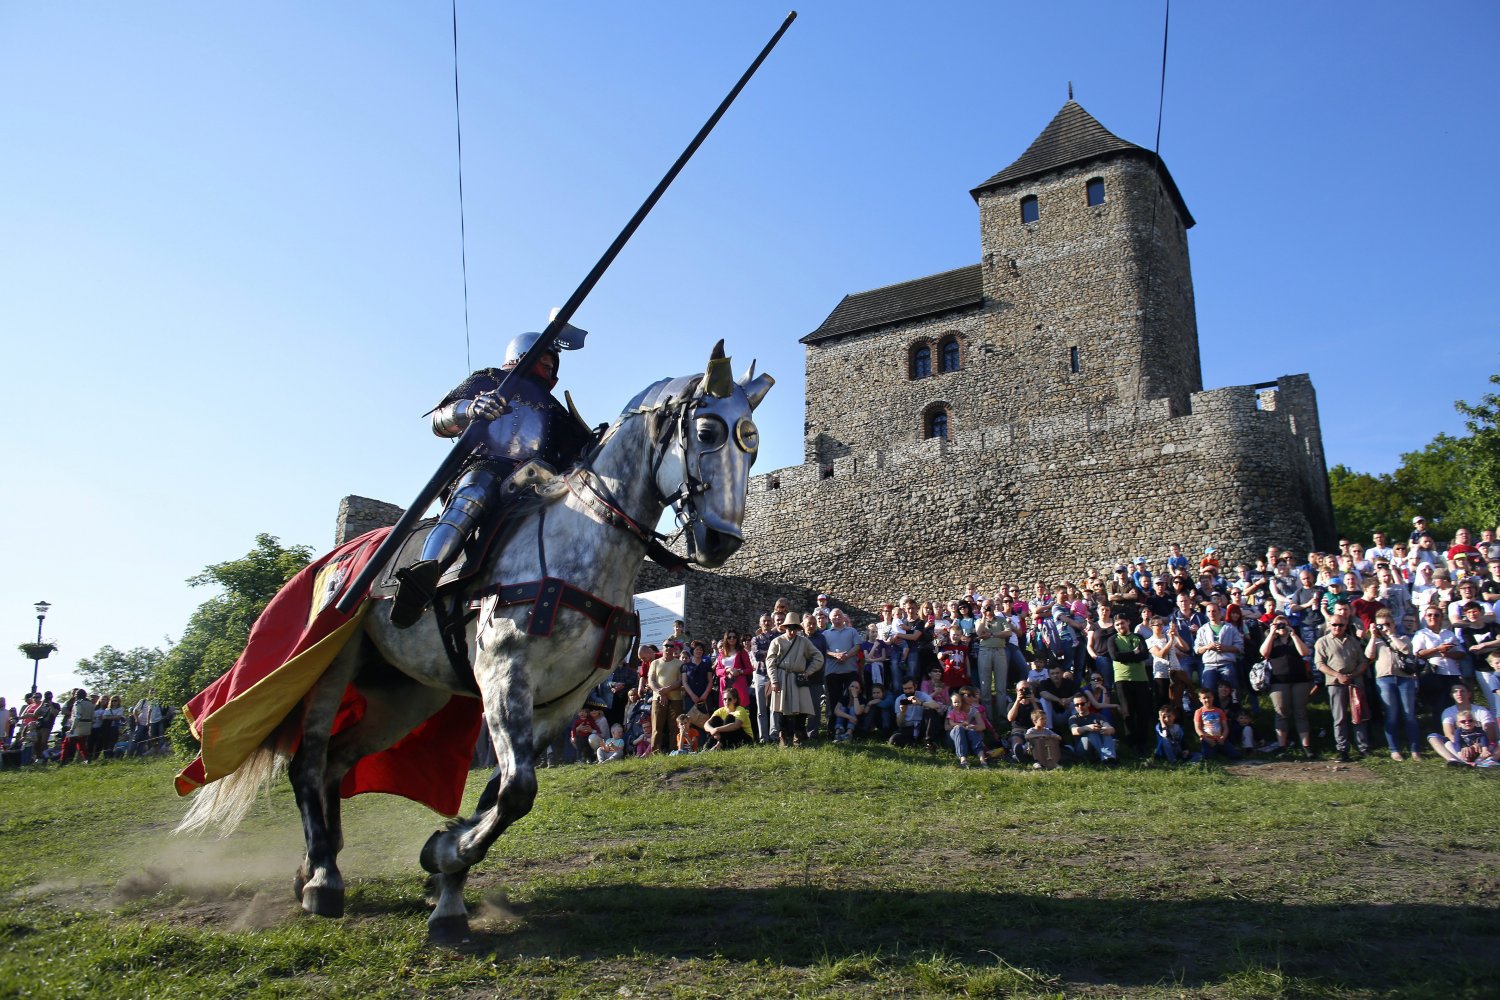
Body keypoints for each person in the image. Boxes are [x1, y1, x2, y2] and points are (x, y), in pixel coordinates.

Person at [390, 321, 592, 628]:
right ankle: (425, 573)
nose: (550, 365)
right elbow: (439, 420)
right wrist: (470, 409)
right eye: (544, 359)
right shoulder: (489, 380)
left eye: (553, 362)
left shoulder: (553, 408)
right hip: (485, 466)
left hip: (535, 481)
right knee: (473, 495)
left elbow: (576, 452)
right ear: (523, 355)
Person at [1366, 608, 1422, 760]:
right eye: (1380, 625)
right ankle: (1394, 749)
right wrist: (1373, 635)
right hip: (1384, 679)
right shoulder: (1376, 641)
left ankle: (1415, 749)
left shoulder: (1403, 638)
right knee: (1391, 715)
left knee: (1409, 714)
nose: (1384, 627)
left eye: (1387, 624)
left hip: (1405, 678)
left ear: (1393, 624)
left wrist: (1391, 635)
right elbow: (1369, 656)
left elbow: (1405, 650)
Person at [1314, 615, 1371, 761]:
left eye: (1340, 625)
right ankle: (1342, 749)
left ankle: (1363, 748)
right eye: (1334, 625)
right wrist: (1337, 675)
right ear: (1329, 625)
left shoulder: (1353, 641)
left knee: (1359, 716)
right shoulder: (1322, 642)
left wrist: (1353, 674)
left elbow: (1363, 662)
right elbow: (1320, 664)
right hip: (1335, 683)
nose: (1337, 628)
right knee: (1339, 717)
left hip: (1354, 681)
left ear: (1346, 625)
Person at [1260, 614, 1315, 757]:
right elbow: (1264, 653)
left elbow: (1305, 652)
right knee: (1281, 713)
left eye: (1283, 624)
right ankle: (1281, 746)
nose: (1281, 627)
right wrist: (1272, 633)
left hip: (1299, 680)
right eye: (1278, 624)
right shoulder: (1272, 639)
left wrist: (1294, 635)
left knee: (1300, 713)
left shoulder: (1294, 638)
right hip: (1278, 682)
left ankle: (1307, 746)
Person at [766, 612, 823, 747]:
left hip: (798, 678)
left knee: (802, 708)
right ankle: (784, 737)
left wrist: (808, 672)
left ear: (798, 628)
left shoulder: (804, 642)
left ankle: (799, 735)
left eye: (794, 628)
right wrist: (774, 680)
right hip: (781, 677)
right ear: (785, 627)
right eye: (789, 628)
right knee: (781, 709)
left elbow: (818, 657)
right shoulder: (777, 642)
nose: (792, 631)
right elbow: (770, 662)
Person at [1108, 616, 1153, 754]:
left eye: (1122, 623)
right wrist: (1134, 653)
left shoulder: (1138, 637)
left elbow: (1145, 655)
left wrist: (1127, 656)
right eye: (1117, 624)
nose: (1120, 626)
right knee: (1128, 711)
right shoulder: (1112, 639)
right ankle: (1131, 742)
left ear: (1128, 622)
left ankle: (1143, 742)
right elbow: (1115, 656)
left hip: (1140, 678)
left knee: (1142, 711)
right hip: (1122, 679)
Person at [1425, 683, 1498, 766]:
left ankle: (1484, 761)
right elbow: (1449, 734)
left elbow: (1490, 734)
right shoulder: (1448, 712)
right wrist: (1463, 747)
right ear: (1451, 695)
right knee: (1433, 737)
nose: (1459, 694)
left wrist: (1476, 745)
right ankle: (1453, 760)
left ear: (1469, 694)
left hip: (1481, 746)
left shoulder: (1481, 711)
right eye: (1455, 691)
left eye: (1462, 691)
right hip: (1459, 746)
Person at [647, 641, 685, 755]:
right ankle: (655, 753)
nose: (668, 648)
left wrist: (666, 690)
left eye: (671, 646)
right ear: (662, 648)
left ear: (674, 649)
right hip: (657, 699)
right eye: (666, 646)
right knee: (656, 727)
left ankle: (674, 751)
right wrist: (661, 693)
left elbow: (680, 681)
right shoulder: (654, 663)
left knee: (674, 727)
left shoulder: (679, 663)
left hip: (675, 699)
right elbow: (651, 681)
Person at [1068, 693, 1118, 764]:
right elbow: (1074, 731)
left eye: (1082, 704)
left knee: (1106, 733)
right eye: (1076, 705)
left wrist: (1106, 729)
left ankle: (1109, 759)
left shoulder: (1097, 716)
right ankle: (1106, 757)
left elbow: (1111, 729)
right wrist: (1088, 728)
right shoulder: (1073, 718)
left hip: (1098, 745)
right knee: (1092, 734)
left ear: (1088, 703)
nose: (1079, 707)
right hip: (1083, 748)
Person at [1193, 688, 1238, 762]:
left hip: (1219, 738)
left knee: (1236, 755)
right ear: (1200, 699)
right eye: (1204, 698)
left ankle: (1220, 750)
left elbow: (1225, 727)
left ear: (1213, 697)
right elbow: (1198, 729)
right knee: (1208, 759)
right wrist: (1207, 740)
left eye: (1209, 697)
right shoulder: (1198, 712)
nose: (1207, 700)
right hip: (1207, 739)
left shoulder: (1219, 711)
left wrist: (1223, 738)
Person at [945, 689, 987, 768]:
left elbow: (982, 726)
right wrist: (960, 726)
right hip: (954, 738)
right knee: (959, 729)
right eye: (969, 696)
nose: (972, 698)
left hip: (968, 735)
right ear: (962, 697)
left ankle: (982, 760)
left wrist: (972, 727)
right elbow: (946, 727)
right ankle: (963, 760)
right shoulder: (952, 709)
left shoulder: (973, 710)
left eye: (973, 696)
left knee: (972, 731)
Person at [59, 689, 94, 765]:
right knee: (82, 744)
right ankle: (87, 759)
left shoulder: (78, 703)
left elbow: (77, 716)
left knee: (66, 744)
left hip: (77, 726)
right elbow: (92, 716)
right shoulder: (90, 704)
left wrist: (72, 728)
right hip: (87, 726)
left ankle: (63, 761)